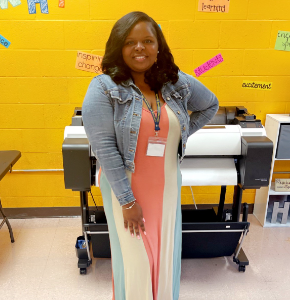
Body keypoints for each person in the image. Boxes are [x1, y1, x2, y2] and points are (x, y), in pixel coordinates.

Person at [82, 11, 219, 300]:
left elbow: (211, 105)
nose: (140, 48)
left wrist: (181, 134)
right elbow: (105, 149)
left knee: (165, 256)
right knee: (137, 262)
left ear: (159, 46)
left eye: (147, 40)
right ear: (119, 47)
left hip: (167, 186)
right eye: (130, 42)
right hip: (126, 189)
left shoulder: (175, 83)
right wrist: (127, 201)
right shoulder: (104, 87)